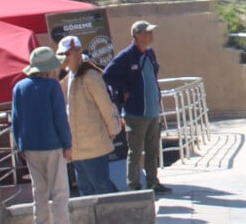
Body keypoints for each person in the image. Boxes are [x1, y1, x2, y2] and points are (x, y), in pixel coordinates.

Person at [103, 20, 170, 194]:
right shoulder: (127, 55)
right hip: (136, 113)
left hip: (153, 111)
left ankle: (153, 182)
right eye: (147, 32)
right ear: (137, 35)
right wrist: (125, 89)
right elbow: (108, 75)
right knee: (135, 151)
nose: (151, 35)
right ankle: (134, 186)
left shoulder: (150, 54)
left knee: (152, 150)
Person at [12, 46, 72, 224]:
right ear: (49, 69)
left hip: (29, 147)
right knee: (60, 193)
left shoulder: (19, 87)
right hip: (53, 146)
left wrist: (20, 146)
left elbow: (16, 120)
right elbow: (60, 118)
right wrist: (67, 145)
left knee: (39, 192)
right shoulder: (53, 86)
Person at [57, 36, 120, 196]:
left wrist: (112, 130)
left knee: (102, 189)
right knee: (86, 192)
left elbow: (106, 106)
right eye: (62, 55)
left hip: (93, 147)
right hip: (77, 148)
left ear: (78, 52)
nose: (64, 59)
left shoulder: (90, 76)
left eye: (67, 54)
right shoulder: (67, 80)